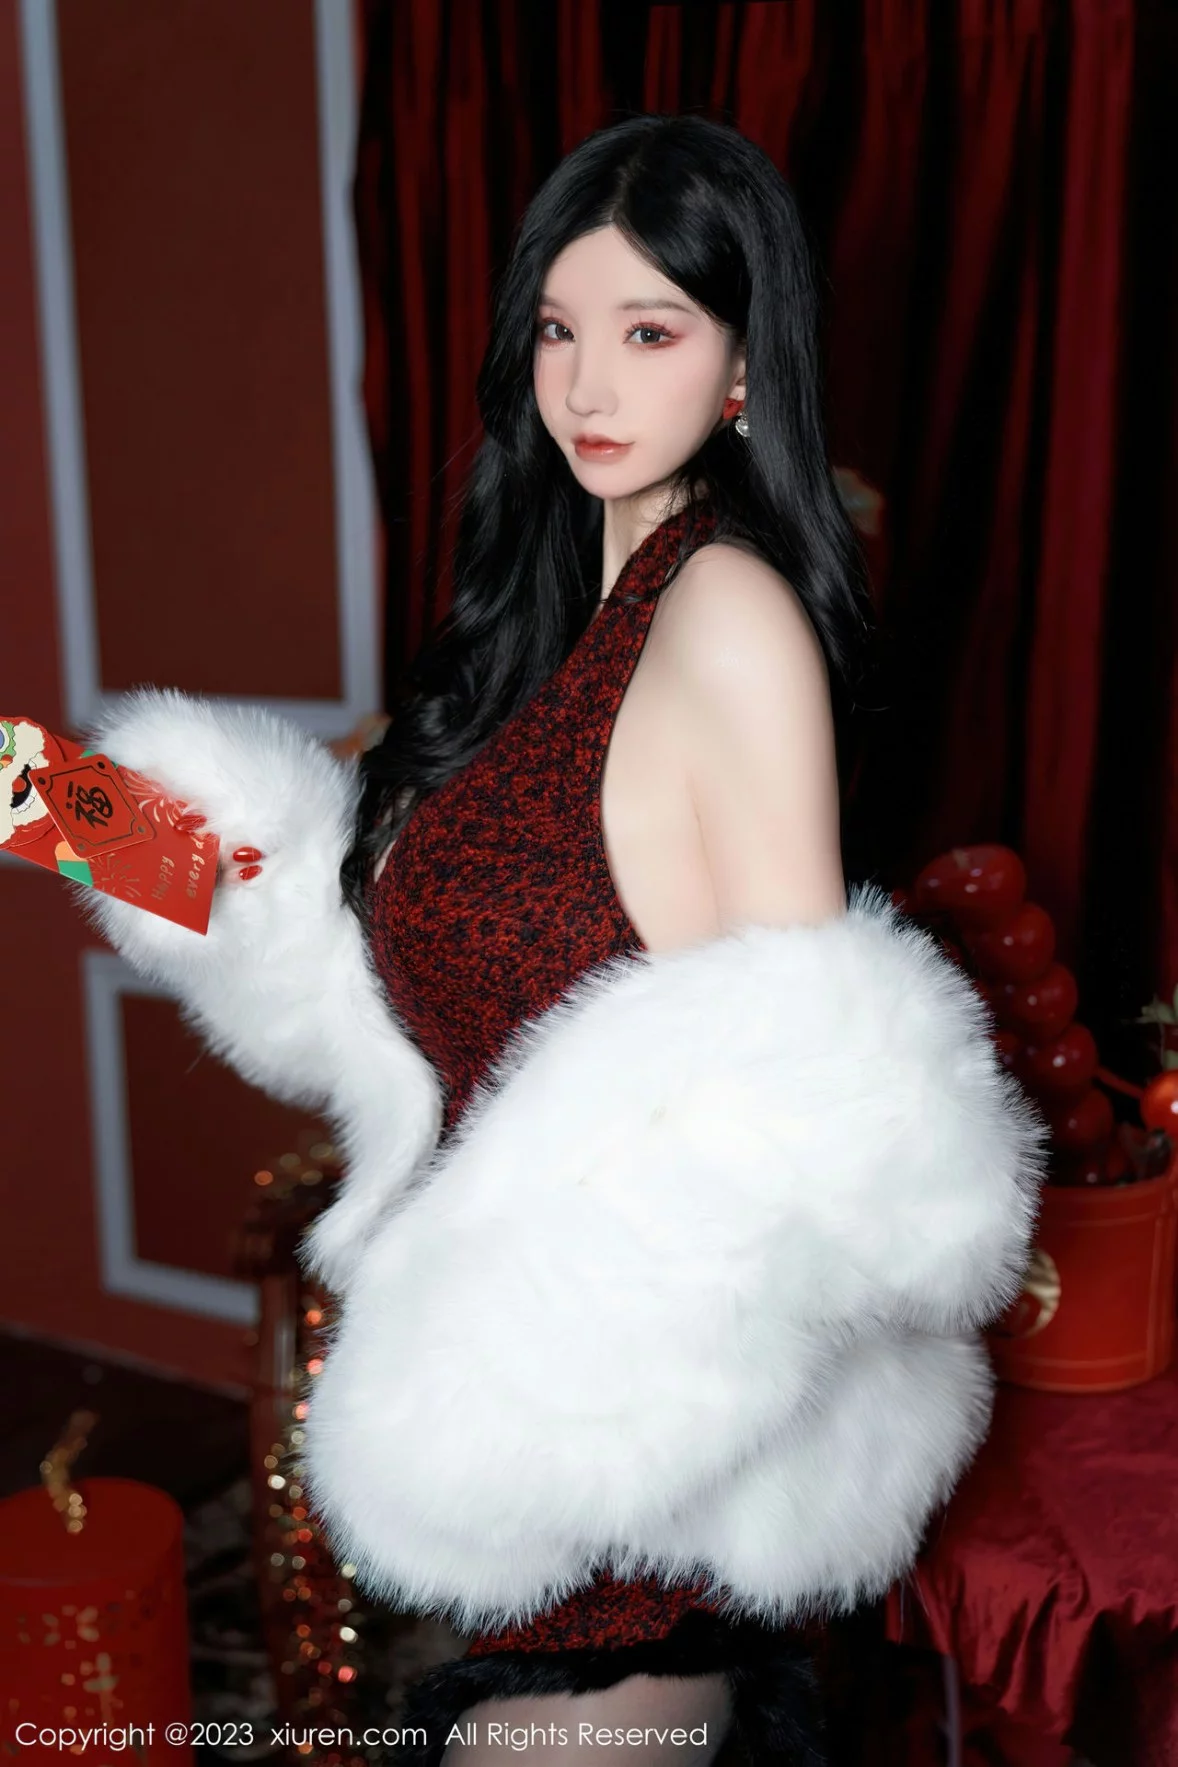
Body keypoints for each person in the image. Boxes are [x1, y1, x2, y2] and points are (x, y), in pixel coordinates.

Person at [83, 116, 1047, 1765]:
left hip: (628, 1475)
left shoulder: (725, 614)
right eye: (557, 328)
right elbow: (369, 956)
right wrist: (44, 796)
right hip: (537, 1450)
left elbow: (827, 1086)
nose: (587, 386)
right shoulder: (557, 616)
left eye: (648, 333)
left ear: (742, 364)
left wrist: (563, 1387)